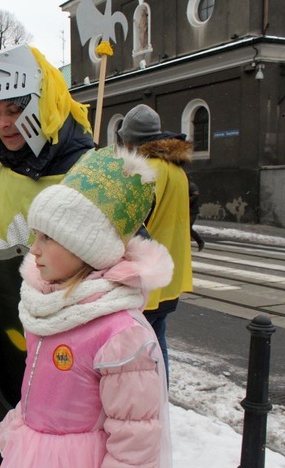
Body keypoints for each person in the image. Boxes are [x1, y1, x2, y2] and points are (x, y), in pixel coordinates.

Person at [0, 145, 173, 468]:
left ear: (86, 247)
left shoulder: (119, 335)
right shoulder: (47, 307)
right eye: (36, 236)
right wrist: (11, 432)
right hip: (30, 465)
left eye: (48, 238)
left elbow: (136, 432)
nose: (34, 249)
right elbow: (38, 388)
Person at [0, 43, 95, 421]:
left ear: (44, 105)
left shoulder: (89, 173)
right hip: (8, 352)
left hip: (71, 359)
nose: (4, 124)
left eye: (14, 110)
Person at [118, 104, 193, 381]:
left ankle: (149, 405)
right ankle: (161, 400)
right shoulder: (176, 170)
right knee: (158, 341)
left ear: (131, 140)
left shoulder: (144, 171)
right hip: (170, 275)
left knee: (138, 351)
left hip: (146, 276)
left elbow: (129, 224)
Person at [189, 180, 205, 250]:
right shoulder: (182, 185)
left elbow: (195, 196)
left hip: (192, 211)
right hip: (185, 210)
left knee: (187, 227)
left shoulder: (192, 186)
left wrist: (186, 201)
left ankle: (200, 241)